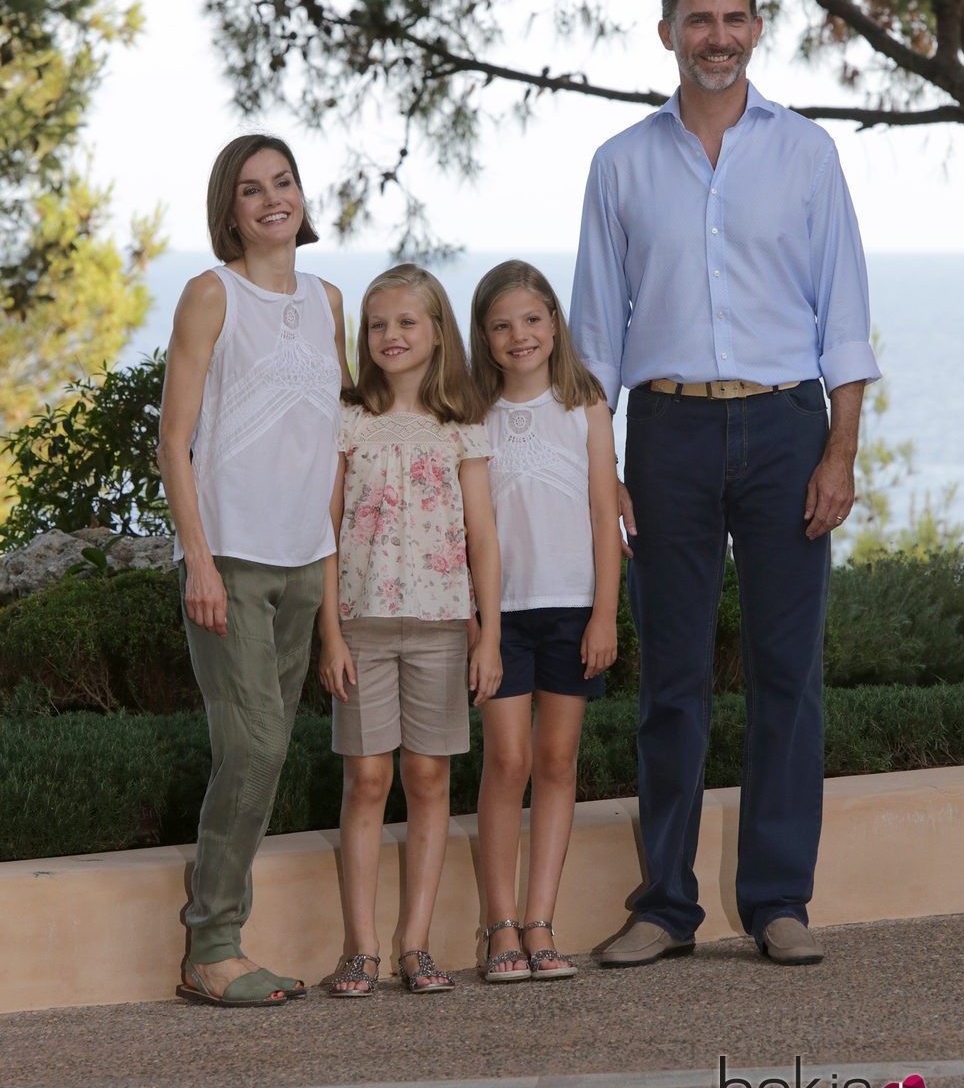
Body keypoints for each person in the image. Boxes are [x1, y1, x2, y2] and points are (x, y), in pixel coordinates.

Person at [569, 0, 880, 968]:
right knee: (671, 679)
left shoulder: (807, 156)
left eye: (733, 18)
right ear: (667, 31)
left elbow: (843, 319)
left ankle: (778, 901)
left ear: (755, 29)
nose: (716, 35)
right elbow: (593, 341)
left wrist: (838, 450)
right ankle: (663, 907)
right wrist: (599, 466)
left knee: (788, 675)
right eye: (698, 19)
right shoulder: (620, 163)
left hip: (786, 428)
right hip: (665, 436)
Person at [158, 133, 350, 1007]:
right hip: (229, 558)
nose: (273, 198)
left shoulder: (329, 301)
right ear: (227, 209)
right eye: (251, 189)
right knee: (256, 746)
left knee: (260, 755)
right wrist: (196, 559)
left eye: (283, 182)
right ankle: (212, 945)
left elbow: (328, 447)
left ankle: (218, 922)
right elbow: (175, 438)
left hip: (302, 561)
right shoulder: (211, 295)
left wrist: (331, 594)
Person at [318, 263, 501, 996]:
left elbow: (483, 537)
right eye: (376, 325)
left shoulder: (462, 428)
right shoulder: (348, 422)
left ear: (436, 333)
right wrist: (328, 633)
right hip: (361, 627)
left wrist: (488, 633)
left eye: (405, 323)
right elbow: (324, 529)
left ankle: (415, 943)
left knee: (428, 777)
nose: (389, 336)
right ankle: (360, 947)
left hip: (441, 629)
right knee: (367, 778)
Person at [469, 261, 620, 982]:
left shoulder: (585, 405)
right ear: (485, 337)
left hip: (572, 611)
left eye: (531, 320)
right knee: (508, 762)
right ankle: (499, 928)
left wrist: (605, 616)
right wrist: (480, 630)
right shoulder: (473, 417)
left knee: (557, 764)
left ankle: (541, 925)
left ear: (554, 323)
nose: (519, 335)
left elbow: (602, 517)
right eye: (502, 325)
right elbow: (473, 536)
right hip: (502, 616)